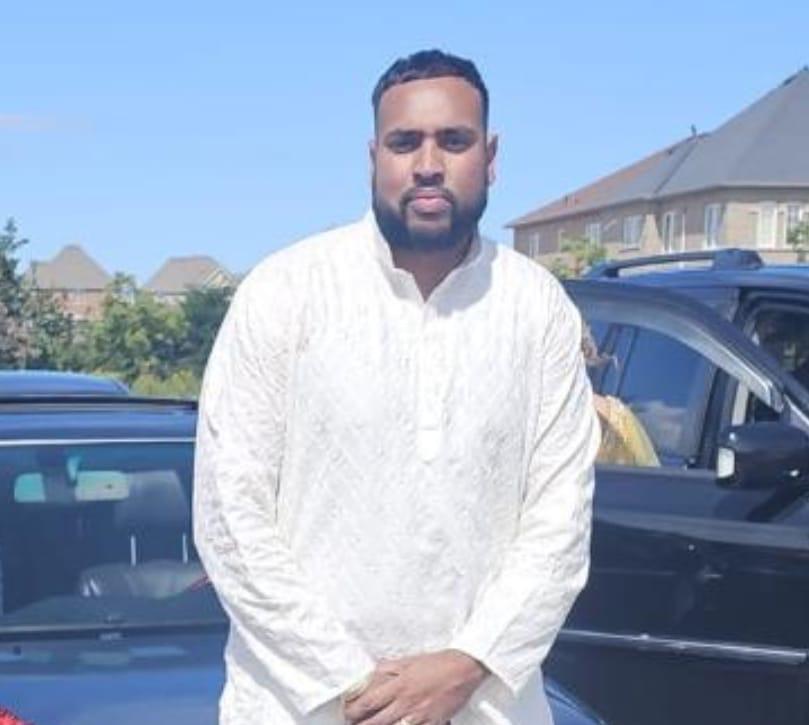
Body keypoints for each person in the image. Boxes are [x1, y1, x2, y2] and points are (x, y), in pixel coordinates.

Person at [193, 49, 601, 725]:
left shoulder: (536, 308)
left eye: (454, 141)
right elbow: (230, 519)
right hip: (303, 707)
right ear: (373, 157)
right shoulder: (285, 292)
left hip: (482, 705)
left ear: (490, 157)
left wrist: (464, 664)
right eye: (405, 142)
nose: (428, 164)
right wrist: (362, 689)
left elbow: (559, 523)